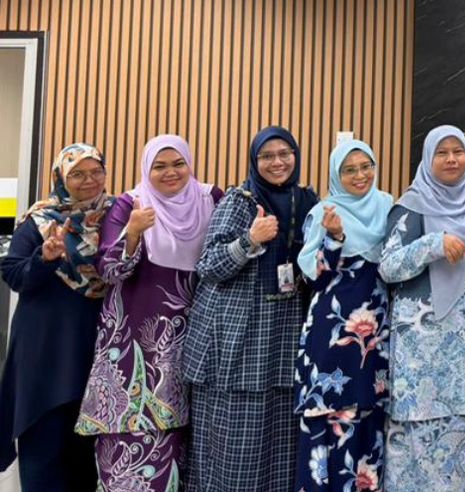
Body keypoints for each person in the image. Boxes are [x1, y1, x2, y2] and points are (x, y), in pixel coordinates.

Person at [76, 135, 220, 491]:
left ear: (189, 164)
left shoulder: (211, 199)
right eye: (159, 166)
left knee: (184, 446)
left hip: (193, 341)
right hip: (133, 346)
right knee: (129, 442)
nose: (170, 172)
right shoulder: (131, 203)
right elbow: (109, 271)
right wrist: (133, 233)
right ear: (146, 169)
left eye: (178, 164)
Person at [182, 125, 318, 492]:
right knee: (233, 442)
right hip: (237, 339)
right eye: (266, 156)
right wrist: (249, 240)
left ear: (296, 156)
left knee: (280, 440)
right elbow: (209, 265)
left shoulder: (307, 201)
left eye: (284, 154)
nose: (277, 162)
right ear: (254, 161)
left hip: (284, 333)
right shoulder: (239, 202)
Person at [380, 125, 465, 492]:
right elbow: (388, 267)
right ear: (428, 158)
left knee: (463, 439)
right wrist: (433, 244)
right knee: (415, 442)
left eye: (457, 151)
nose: (451, 159)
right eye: (442, 153)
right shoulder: (412, 205)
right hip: (419, 351)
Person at [0, 143, 113, 491]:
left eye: (96, 171)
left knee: (86, 458)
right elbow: (13, 274)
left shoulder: (116, 216)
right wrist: (45, 258)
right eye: (77, 173)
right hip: (45, 352)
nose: (89, 180)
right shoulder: (40, 220)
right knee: (44, 450)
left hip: (94, 349)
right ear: (61, 178)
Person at [294, 138, 394, 491]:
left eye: (366, 167)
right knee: (327, 424)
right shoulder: (325, 212)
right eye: (349, 170)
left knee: (369, 420)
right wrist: (335, 236)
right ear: (337, 175)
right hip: (332, 334)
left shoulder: (388, 206)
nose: (360, 175)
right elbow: (314, 277)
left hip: (376, 335)